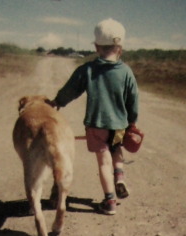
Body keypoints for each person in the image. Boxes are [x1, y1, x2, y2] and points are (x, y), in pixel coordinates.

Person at [50, 18, 139, 215]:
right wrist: (132, 121)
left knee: (103, 161)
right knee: (116, 151)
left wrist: (57, 102)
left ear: (97, 46)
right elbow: (133, 99)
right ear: (120, 47)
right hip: (119, 125)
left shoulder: (87, 70)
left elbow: (70, 90)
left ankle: (109, 201)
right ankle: (120, 178)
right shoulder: (126, 72)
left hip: (96, 125)